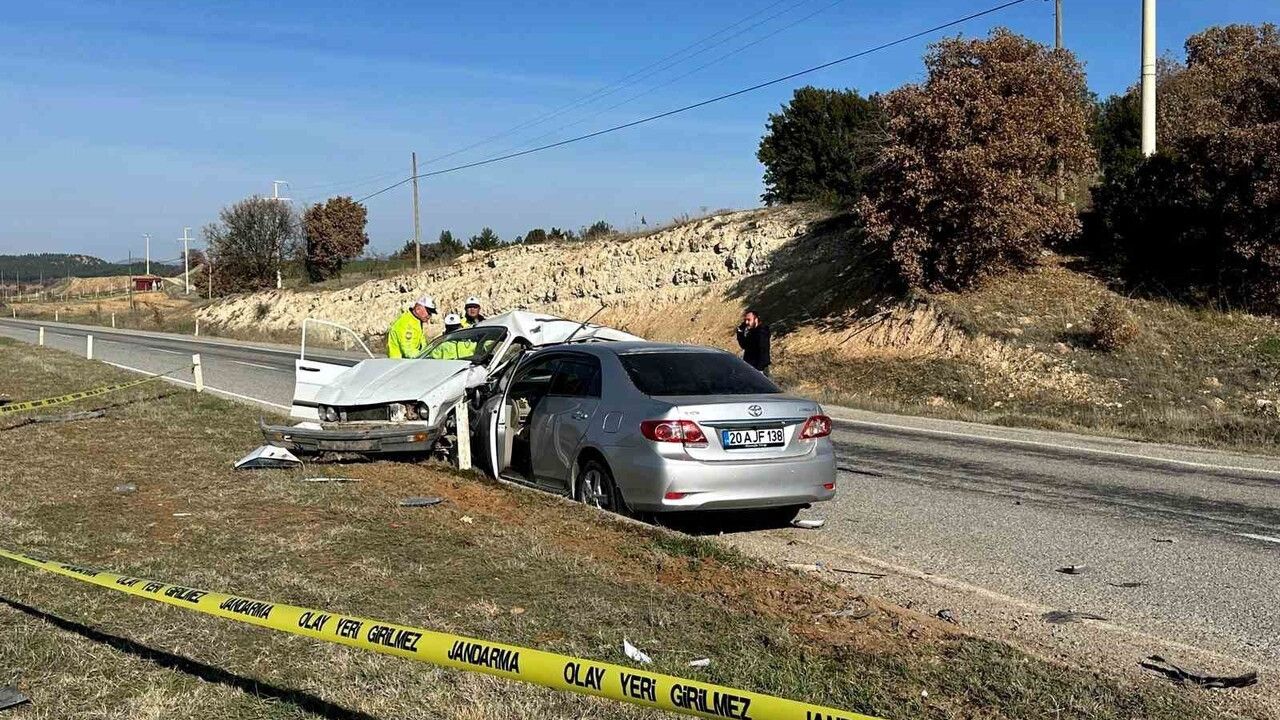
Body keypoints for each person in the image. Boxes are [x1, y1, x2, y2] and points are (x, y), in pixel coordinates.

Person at [735, 309, 771, 375]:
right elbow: (745, 346)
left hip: (759, 368)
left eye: (749, 320)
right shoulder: (752, 331)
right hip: (750, 366)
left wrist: (759, 370)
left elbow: (763, 350)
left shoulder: (762, 332)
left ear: (756, 319)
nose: (746, 322)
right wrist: (740, 333)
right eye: (745, 320)